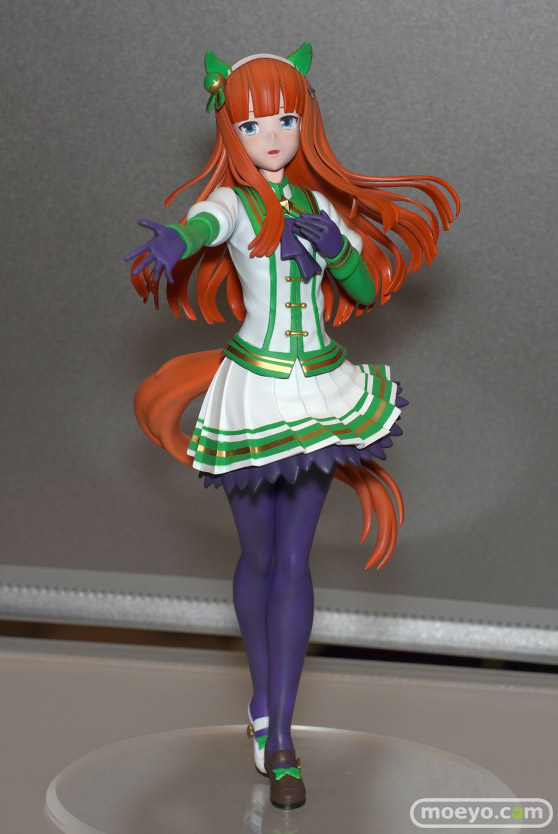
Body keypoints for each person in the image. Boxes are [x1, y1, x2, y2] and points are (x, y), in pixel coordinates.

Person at [125, 42, 458, 810]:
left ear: (304, 121)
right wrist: (178, 239)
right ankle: (261, 700)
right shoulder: (236, 204)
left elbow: (366, 288)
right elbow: (206, 223)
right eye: (250, 124)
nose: (270, 136)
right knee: (259, 556)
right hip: (255, 394)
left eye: (283, 119)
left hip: (318, 394)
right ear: (229, 131)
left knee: (295, 563)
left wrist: (339, 249)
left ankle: (281, 737)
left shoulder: (318, 205)